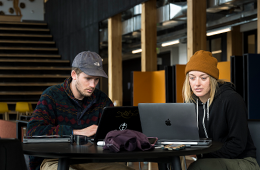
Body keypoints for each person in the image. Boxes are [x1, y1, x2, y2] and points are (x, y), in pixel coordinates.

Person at [26, 51, 134, 170]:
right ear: (74, 75)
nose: (93, 85)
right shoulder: (52, 95)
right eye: (88, 78)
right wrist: (76, 132)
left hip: (92, 160)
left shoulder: (102, 100)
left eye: (96, 79)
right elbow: (33, 132)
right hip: (55, 160)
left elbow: (116, 130)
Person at [182, 50, 260, 170]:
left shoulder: (231, 99)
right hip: (210, 160)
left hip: (243, 160)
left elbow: (237, 145)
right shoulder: (190, 103)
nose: (197, 83)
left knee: (199, 167)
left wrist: (202, 154)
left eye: (203, 78)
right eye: (192, 78)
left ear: (212, 79)